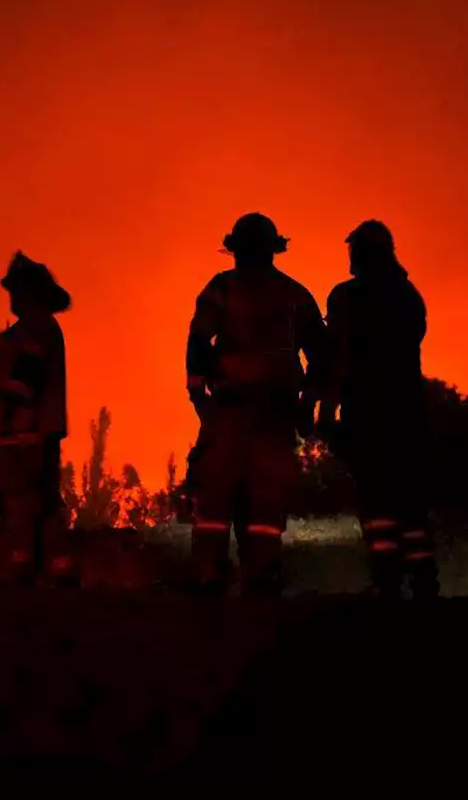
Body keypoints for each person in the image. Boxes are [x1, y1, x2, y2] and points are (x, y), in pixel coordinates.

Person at [185, 212, 327, 596]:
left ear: (236, 248)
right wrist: (308, 405)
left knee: (217, 500)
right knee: (263, 502)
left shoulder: (222, 289)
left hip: (234, 411)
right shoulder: (295, 295)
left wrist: (201, 402)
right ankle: (259, 576)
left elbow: (197, 344)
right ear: (273, 248)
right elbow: (322, 356)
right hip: (271, 413)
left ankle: (213, 575)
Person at [318, 219, 439, 600]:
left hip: (367, 414)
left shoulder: (346, 298)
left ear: (359, 254)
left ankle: (387, 582)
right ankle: (423, 580)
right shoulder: (408, 297)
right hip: (408, 413)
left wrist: (325, 409)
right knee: (410, 503)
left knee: (377, 502)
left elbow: (338, 358)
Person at [0, 251, 76, 588]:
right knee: (43, 502)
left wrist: (8, 424)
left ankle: (17, 569)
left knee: (19, 503)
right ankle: (55, 568)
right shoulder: (39, 329)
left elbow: (24, 382)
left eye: (16, 290)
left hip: (22, 435)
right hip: (31, 433)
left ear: (28, 293)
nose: (12, 297)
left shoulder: (33, 330)